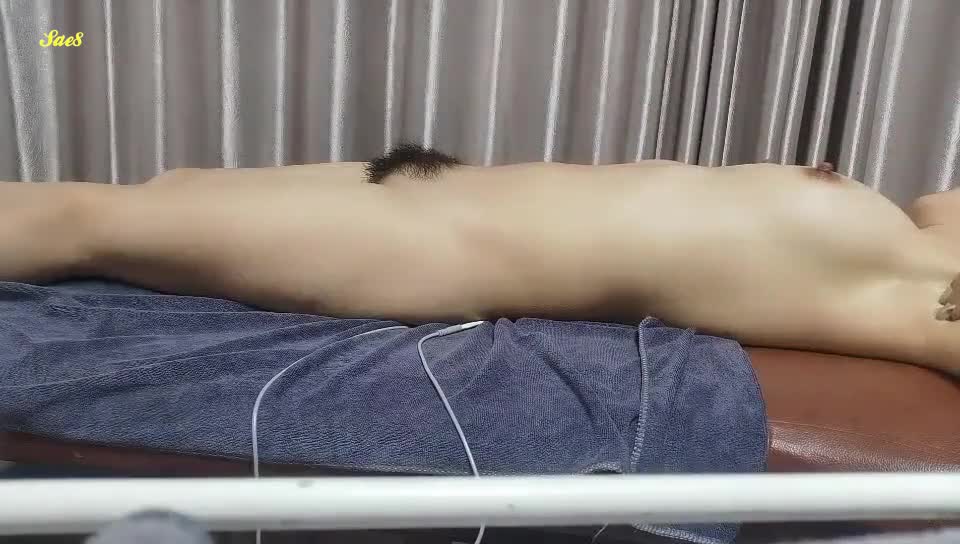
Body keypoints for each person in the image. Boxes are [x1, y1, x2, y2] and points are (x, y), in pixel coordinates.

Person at [1, 145, 958, 375]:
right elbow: (939, 204)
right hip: (449, 192)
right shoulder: (927, 240)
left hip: (438, 248)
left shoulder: (929, 302)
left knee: (92, 221)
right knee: (159, 194)